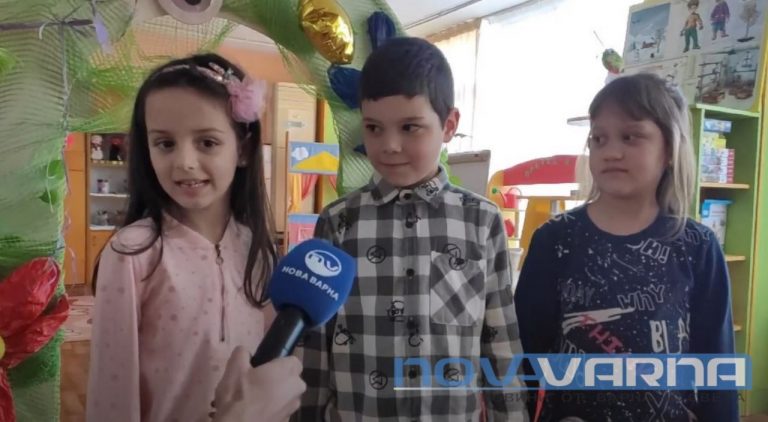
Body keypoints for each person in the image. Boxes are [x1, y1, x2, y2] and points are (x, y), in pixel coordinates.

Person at [296, 37, 527, 421]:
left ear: (448, 125)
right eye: (374, 128)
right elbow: (316, 346)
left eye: (410, 127)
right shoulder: (337, 222)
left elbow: (500, 339)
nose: (389, 145)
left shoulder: (482, 221)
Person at [515, 73, 738, 422]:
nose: (611, 152)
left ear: (669, 149)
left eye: (631, 137)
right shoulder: (554, 240)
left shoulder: (697, 245)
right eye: (599, 139)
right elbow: (523, 355)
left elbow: (717, 364)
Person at [86, 53, 281, 421]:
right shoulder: (132, 252)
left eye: (207, 142)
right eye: (165, 144)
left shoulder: (259, 251)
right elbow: (112, 388)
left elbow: (268, 368)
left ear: (243, 149)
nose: (184, 162)